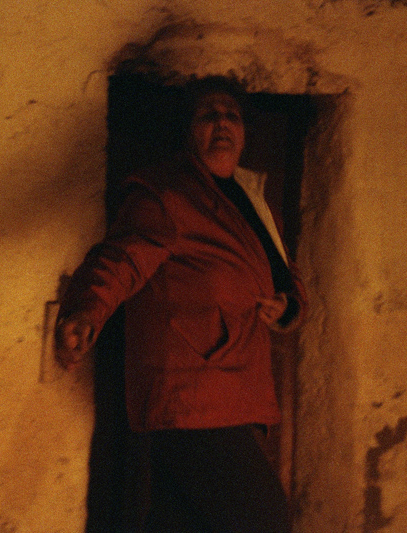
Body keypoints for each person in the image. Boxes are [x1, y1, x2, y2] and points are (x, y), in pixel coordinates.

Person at [55, 76, 307, 532]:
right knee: (265, 520)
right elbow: (123, 257)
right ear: (188, 131)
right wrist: (88, 308)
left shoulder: (252, 196)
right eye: (208, 114)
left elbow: (284, 274)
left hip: (235, 389)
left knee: (181, 524)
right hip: (192, 393)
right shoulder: (167, 194)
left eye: (231, 115)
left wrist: (288, 306)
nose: (221, 123)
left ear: (244, 131)